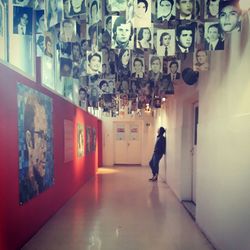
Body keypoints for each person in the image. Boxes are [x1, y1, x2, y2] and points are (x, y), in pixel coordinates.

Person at [19, 92, 52, 203]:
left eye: (46, 137)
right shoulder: (22, 192)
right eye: (41, 135)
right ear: (29, 141)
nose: (45, 148)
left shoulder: (41, 186)